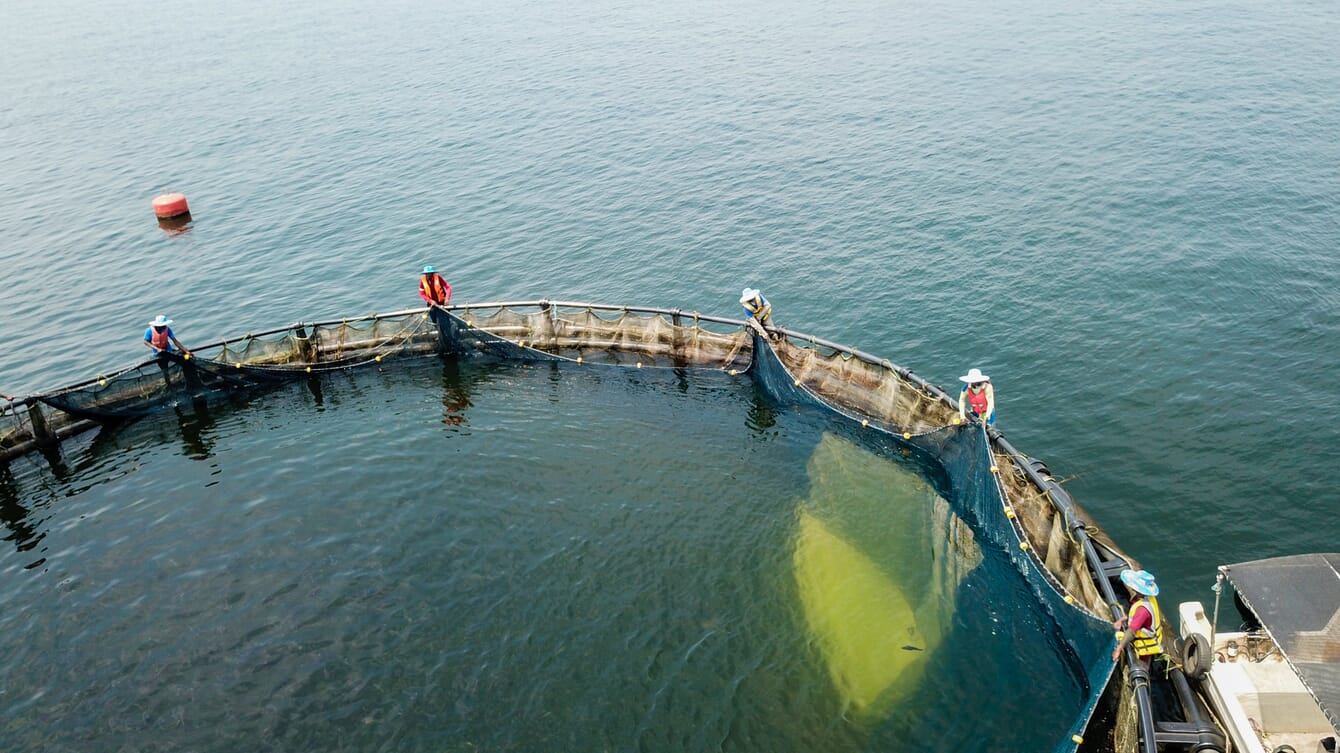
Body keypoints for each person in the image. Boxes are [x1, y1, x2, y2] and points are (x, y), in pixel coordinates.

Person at [1111, 568, 1165, 664]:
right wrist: (1122, 620)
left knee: (1143, 665)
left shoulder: (1142, 610)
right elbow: (1134, 615)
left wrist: (1118, 649)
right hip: (1152, 637)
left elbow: (1131, 632)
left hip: (1146, 645)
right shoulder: (1148, 598)